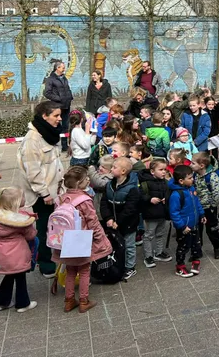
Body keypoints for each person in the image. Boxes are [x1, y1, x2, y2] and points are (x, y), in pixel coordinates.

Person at [14, 100, 64, 278]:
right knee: (44, 229)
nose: (60, 119)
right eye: (56, 115)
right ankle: (44, 263)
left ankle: (54, 256)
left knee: (55, 227)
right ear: (44, 116)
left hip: (55, 190)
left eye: (60, 115)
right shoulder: (32, 139)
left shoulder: (49, 133)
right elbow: (32, 171)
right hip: (42, 195)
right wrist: (44, 193)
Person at [53, 166, 111, 313]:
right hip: (80, 240)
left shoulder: (60, 198)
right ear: (79, 183)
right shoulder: (84, 200)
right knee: (84, 270)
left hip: (65, 240)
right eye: (86, 179)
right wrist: (100, 237)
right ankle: (84, 300)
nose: (89, 180)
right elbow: (93, 221)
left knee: (71, 270)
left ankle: (69, 300)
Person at [0, 186, 38, 313]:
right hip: (16, 253)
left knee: (9, 276)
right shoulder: (21, 219)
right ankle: (23, 303)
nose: (25, 198)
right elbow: (30, 235)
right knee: (20, 277)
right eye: (23, 197)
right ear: (17, 203)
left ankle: (0, 302)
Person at [101, 157, 140, 280]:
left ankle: (130, 267)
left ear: (123, 171)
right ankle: (119, 264)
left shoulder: (132, 188)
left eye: (114, 167)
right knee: (116, 244)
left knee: (129, 245)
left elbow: (130, 208)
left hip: (128, 223)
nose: (111, 169)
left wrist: (118, 221)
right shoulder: (109, 185)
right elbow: (104, 203)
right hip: (113, 223)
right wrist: (108, 218)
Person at [168, 165, 205, 278]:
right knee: (183, 247)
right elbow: (174, 213)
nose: (192, 179)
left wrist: (201, 214)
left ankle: (195, 262)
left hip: (194, 224)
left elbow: (197, 203)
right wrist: (182, 226)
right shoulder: (176, 195)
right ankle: (180, 266)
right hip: (184, 227)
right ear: (181, 181)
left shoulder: (191, 189)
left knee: (196, 244)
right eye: (189, 178)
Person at [191, 152, 219, 260]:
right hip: (198, 208)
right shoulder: (195, 175)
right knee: (197, 231)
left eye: (193, 163)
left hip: (209, 208)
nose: (191, 165)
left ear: (201, 165)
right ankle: (197, 251)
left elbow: (216, 193)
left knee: (212, 229)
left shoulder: (212, 176)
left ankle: (217, 248)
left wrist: (212, 206)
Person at [140, 159, 171, 268]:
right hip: (151, 213)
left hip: (162, 212)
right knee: (149, 235)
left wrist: (166, 199)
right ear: (152, 171)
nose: (163, 172)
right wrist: (149, 199)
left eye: (165, 170)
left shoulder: (165, 182)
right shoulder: (145, 183)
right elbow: (140, 195)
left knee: (160, 233)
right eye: (161, 170)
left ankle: (159, 252)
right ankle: (148, 256)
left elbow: (168, 193)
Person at [43, 60, 73, 151]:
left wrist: (70, 97)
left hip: (66, 105)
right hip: (57, 106)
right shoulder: (50, 79)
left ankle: (64, 146)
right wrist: (58, 98)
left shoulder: (64, 78)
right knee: (55, 125)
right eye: (63, 67)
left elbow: (67, 89)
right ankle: (52, 143)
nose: (64, 69)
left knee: (65, 126)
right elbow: (47, 93)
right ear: (58, 68)